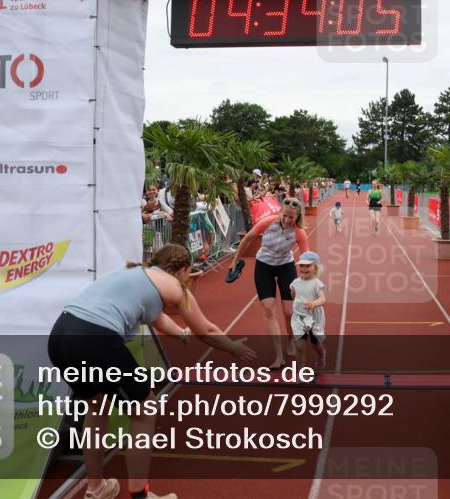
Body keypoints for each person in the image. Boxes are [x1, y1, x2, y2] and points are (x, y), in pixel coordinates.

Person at [48, 244, 256, 499]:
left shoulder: (138, 274)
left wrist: (180, 333)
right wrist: (234, 348)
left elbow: (157, 318)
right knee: (146, 410)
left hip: (61, 335)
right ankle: (140, 495)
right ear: (183, 270)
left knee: (97, 407)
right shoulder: (174, 285)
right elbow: (207, 331)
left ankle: (96, 488)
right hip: (95, 339)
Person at [227, 198, 309, 368]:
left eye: (291, 218)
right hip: (264, 266)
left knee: (288, 312)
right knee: (269, 310)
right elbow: (248, 238)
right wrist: (236, 259)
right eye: (285, 216)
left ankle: (291, 341)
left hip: (286, 267)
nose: (287, 220)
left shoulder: (299, 232)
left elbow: (306, 257)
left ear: (297, 217)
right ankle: (279, 356)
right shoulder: (268, 222)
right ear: (280, 213)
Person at [290, 251, 327, 370]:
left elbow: (322, 299)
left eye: (308, 266)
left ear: (315, 267)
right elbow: (293, 294)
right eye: (302, 265)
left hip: (314, 317)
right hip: (299, 317)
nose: (304, 268)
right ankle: (300, 371)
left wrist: (313, 304)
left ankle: (321, 355)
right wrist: (297, 304)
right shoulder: (295, 282)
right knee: (299, 345)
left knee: (315, 342)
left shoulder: (317, 284)